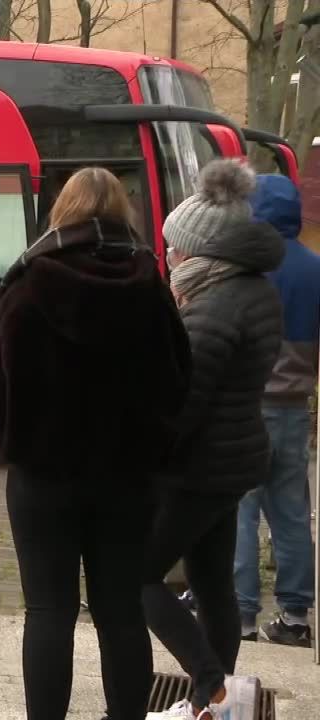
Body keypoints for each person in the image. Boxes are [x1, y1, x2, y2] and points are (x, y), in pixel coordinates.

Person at [0, 169, 191, 720]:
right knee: (121, 612)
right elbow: (177, 383)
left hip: (43, 478)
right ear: (124, 213)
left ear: (62, 211)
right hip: (128, 479)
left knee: (48, 611)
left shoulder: (26, 283)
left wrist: (13, 446)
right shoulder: (150, 285)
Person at [144, 160, 283, 720]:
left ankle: (209, 683)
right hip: (236, 460)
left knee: (136, 574)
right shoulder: (253, 292)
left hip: (198, 469)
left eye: (175, 248)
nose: (169, 258)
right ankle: (212, 702)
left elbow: (185, 405)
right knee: (211, 581)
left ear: (203, 254)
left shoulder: (212, 308)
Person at [234, 173, 316, 648]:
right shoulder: (316, 269)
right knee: (290, 513)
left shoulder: (245, 267)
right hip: (292, 409)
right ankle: (296, 616)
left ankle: (241, 616)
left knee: (241, 510)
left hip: (246, 407)